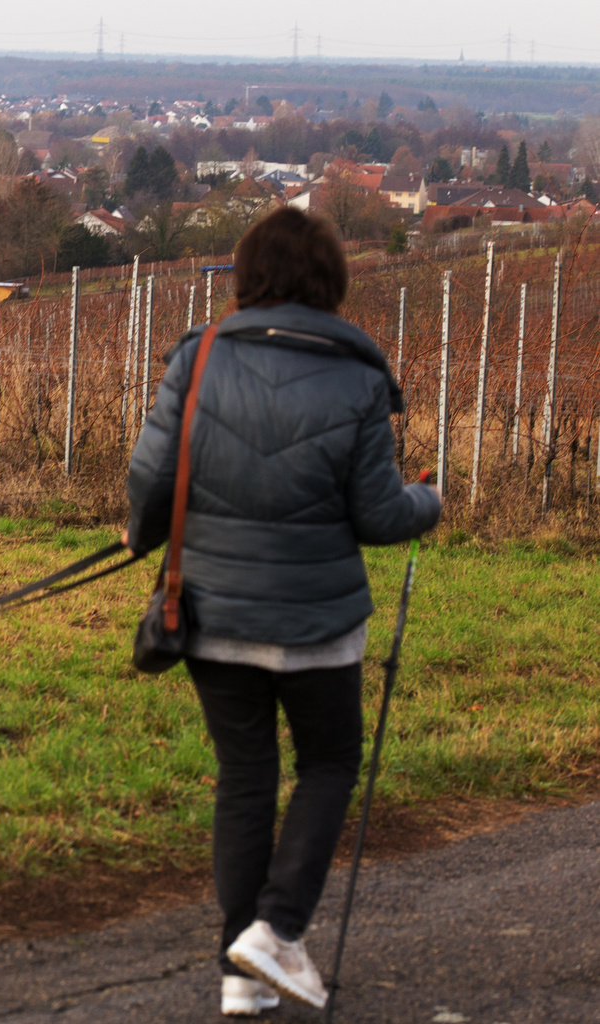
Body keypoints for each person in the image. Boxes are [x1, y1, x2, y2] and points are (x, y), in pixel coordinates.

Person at [125, 208, 440, 1016]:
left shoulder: (199, 360)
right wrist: (427, 503)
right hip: (318, 624)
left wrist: (142, 539)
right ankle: (277, 930)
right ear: (331, 281)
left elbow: (152, 479)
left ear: (246, 275)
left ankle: (241, 975)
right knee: (329, 764)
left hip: (213, 611)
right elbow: (377, 516)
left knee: (244, 778)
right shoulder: (360, 378)